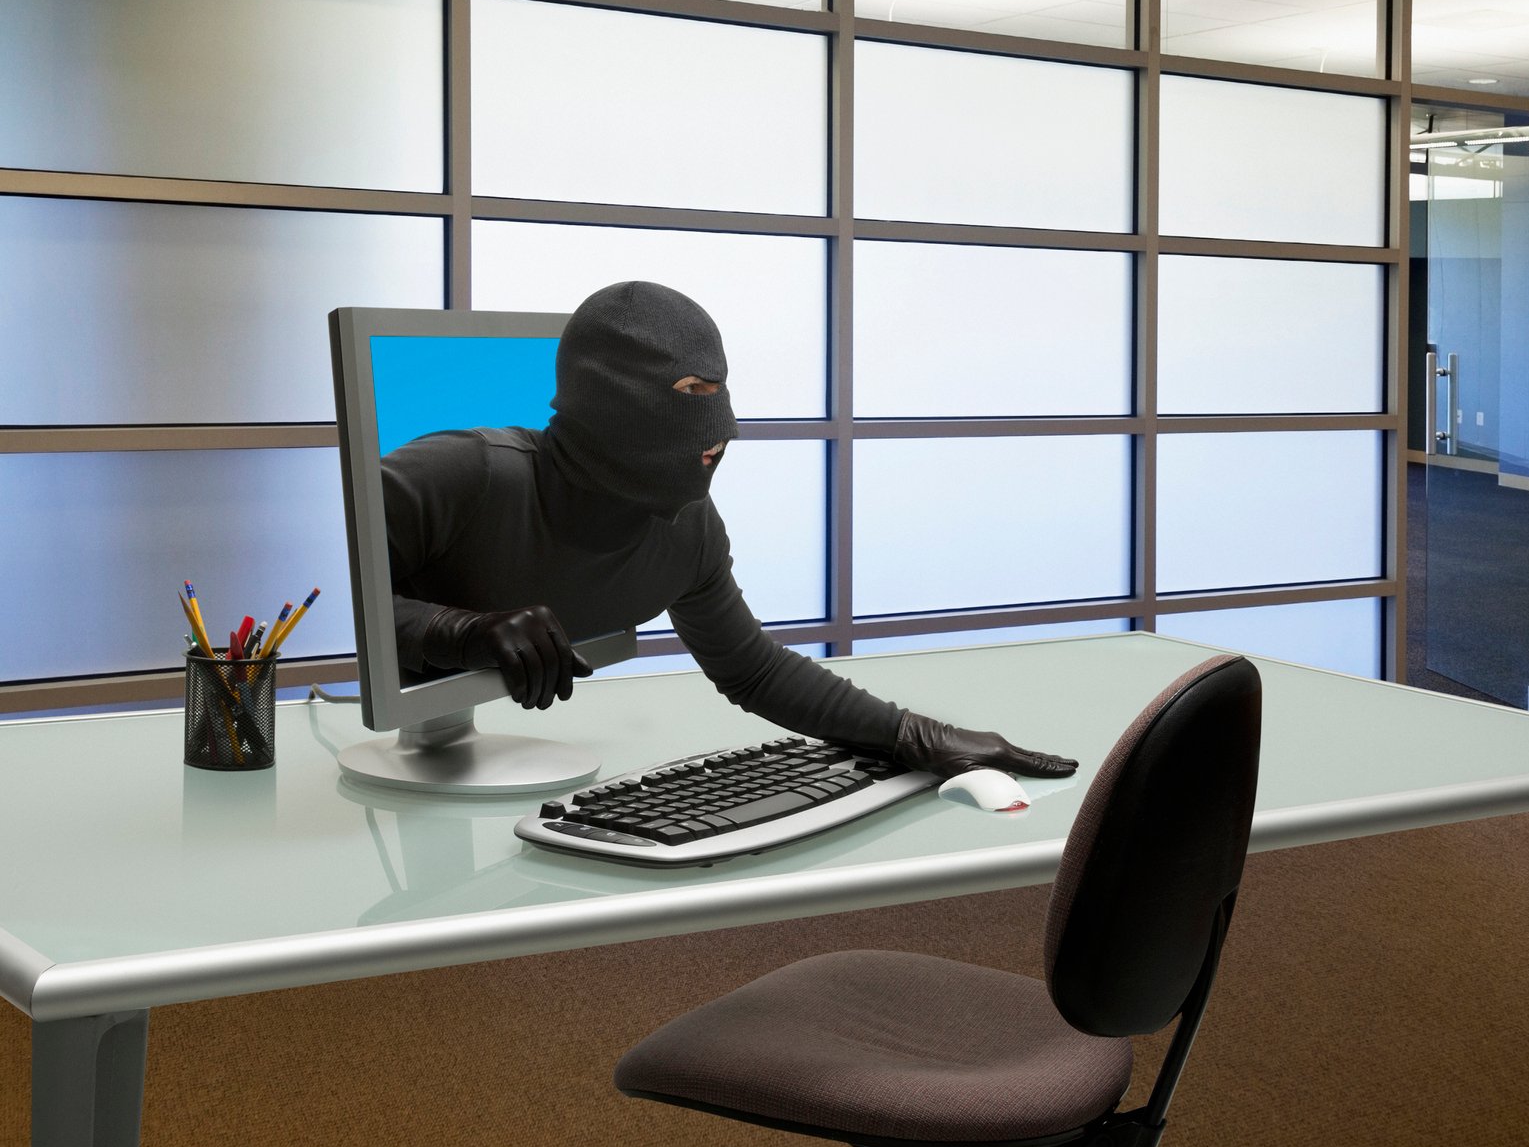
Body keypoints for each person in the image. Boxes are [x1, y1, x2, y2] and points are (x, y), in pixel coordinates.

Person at [382, 280, 1074, 782]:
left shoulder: (688, 529)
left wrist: (919, 736)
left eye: (720, 392)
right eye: (689, 394)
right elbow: (330, 600)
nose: (716, 436)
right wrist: (453, 632)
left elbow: (751, 668)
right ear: (610, 399)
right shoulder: (461, 473)